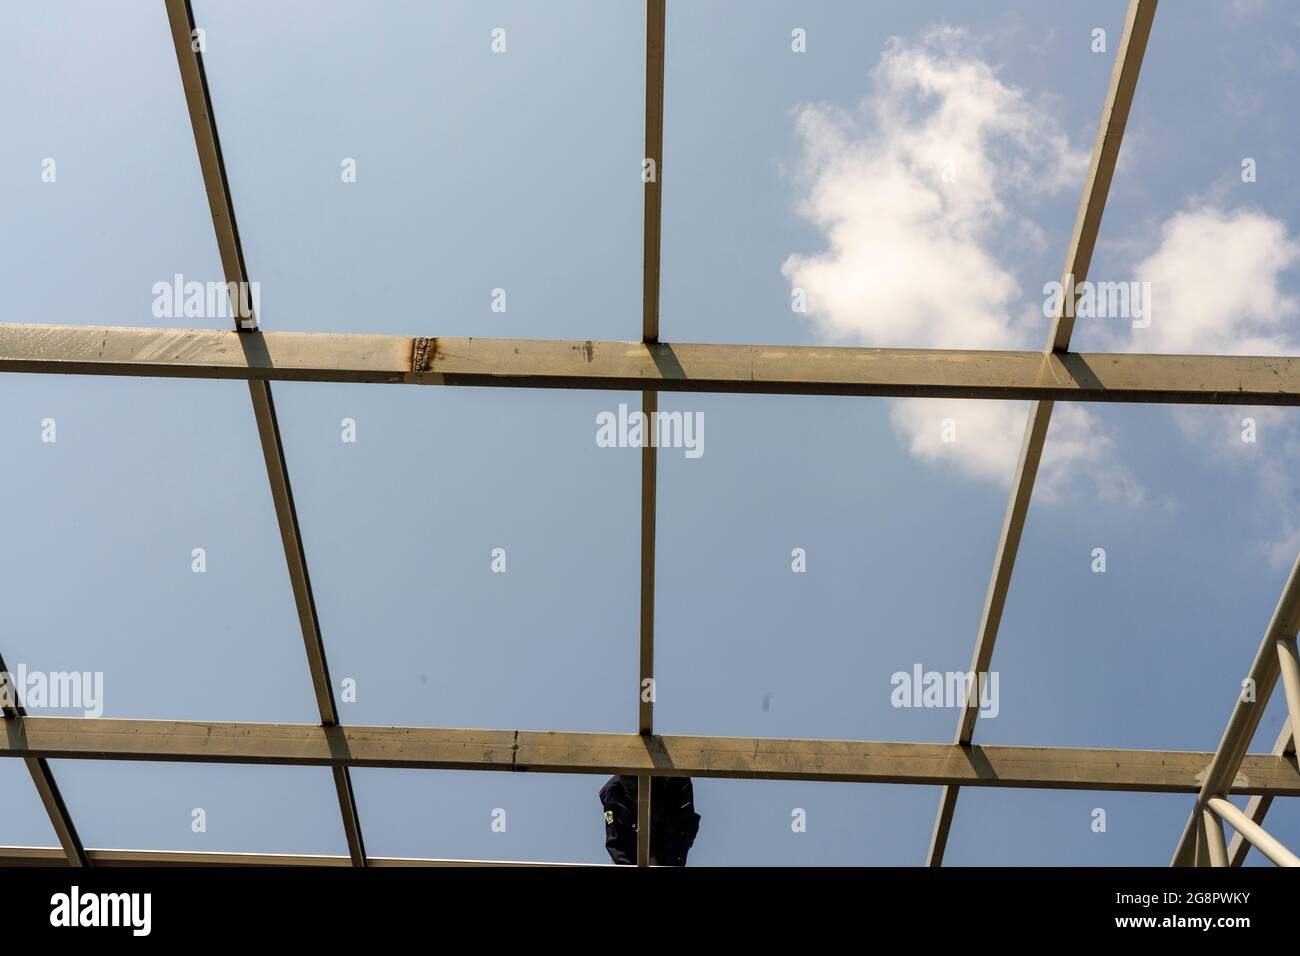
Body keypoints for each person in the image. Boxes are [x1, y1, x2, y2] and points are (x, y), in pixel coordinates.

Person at [599, 774, 700, 866]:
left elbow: (681, 829)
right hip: (633, 843)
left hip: (668, 834)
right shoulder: (611, 794)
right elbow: (615, 839)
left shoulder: (678, 782)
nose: (638, 794)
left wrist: (671, 862)